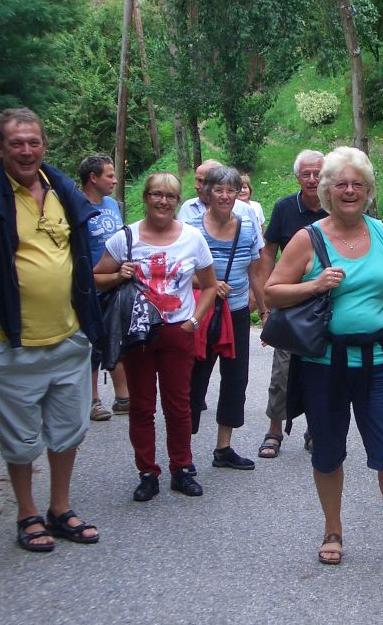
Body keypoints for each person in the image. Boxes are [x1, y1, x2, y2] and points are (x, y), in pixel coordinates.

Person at [264, 146, 383, 568]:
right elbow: (272, 292)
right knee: (328, 452)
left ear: (369, 190)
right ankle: (332, 530)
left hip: (378, 362)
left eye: (357, 184)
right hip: (323, 366)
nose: (350, 191)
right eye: (341, 185)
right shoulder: (308, 238)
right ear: (327, 191)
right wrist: (315, 284)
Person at [0, 108, 103, 552]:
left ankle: (60, 508)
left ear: (44, 146)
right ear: (0, 148)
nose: (26, 150)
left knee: (68, 431)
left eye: (33, 142)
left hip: (68, 338)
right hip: (13, 344)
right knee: (20, 441)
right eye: (16, 143)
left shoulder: (62, 191)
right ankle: (26, 513)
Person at [94, 172, 218, 501]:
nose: (163, 201)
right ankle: (147, 472)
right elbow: (95, 278)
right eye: (156, 194)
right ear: (146, 197)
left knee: (179, 406)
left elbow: (209, 286)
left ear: (177, 201)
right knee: (142, 407)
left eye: (170, 196)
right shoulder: (125, 238)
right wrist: (117, 275)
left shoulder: (192, 238)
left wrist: (194, 320)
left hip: (178, 331)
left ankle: (182, 468)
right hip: (138, 334)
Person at [188, 166, 267, 470]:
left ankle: (224, 448)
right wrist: (207, 283)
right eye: (218, 190)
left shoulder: (246, 228)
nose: (224, 196)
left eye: (230, 190)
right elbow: (179, 272)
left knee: (236, 379)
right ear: (207, 193)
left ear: (238, 194)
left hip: (236, 314)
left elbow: (255, 273)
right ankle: (183, 452)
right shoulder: (191, 228)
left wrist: (265, 311)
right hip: (201, 313)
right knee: (194, 379)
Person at [256, 149, 327, 459]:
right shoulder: (285, 207)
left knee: (321, 369)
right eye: (306, 174)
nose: (312, 179)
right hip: (289, 300)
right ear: (297, 177)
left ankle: (315, 429)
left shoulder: (335, 205)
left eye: (317, 173)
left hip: (327, 301)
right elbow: (268, 252)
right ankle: (274, 430)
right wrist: (266, 300)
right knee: (283, 371)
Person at [78, 153, 130, 421]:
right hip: (88, 288)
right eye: (110, 175)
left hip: (117, 283)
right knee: (91, 344)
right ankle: (93, 400)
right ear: (93, 178)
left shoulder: (111, 204)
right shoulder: (76, 206)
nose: (115, 180)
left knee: (116, 339)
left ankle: (123, 398)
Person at [176, 159, 254, 223]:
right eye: (196, 180)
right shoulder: (188, 207)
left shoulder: (244, 210)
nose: (195, 186)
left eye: (201, 181)